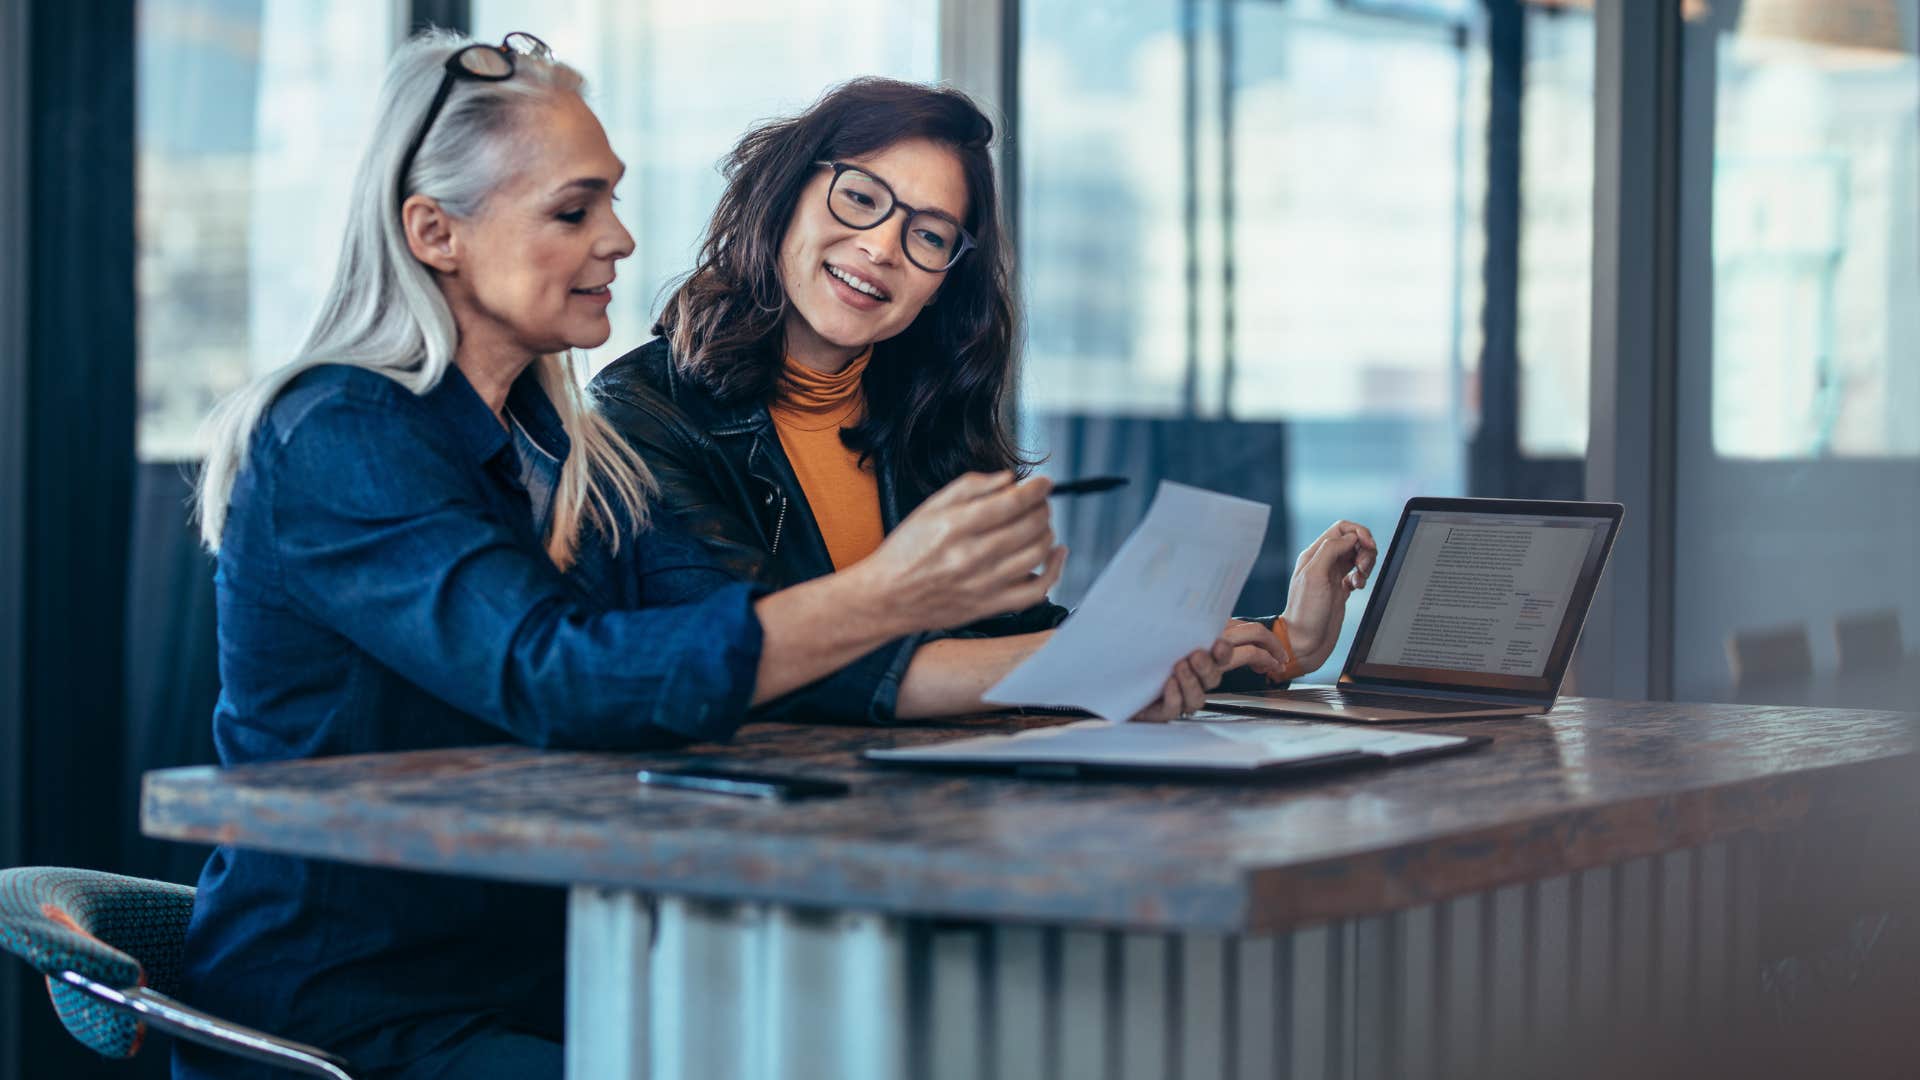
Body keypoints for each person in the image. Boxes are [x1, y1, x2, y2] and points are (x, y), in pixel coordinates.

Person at [178, 33, 1232, 1080]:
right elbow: (558, 676)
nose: (621, 240)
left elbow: (733, 646)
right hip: (359, 1019)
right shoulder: (341, 433)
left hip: (553, 976)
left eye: (612, 202)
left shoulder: (561, 448)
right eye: (574, 211)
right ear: (434, 232)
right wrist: (892, 590)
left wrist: (1129, 656)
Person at [592, 77, 1378, 721]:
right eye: (860, 198)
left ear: (943, 283)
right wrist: (1098, 663)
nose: (882, 247)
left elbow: (1013, 639)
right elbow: (761, 661)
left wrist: (1284, 642)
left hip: (928, 813)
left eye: (930, 236)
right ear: (785, 195)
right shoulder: (640, 415)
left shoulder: (924, 417)